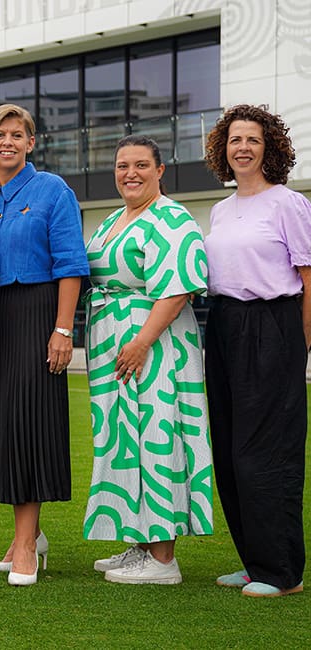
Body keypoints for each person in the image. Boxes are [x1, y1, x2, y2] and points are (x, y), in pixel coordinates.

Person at [0, 104, 88, 586]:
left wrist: (63, 329)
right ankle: (23, 539)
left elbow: (71, 265)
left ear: (31, 143)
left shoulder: (53, 190)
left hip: (37, 315)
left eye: (17, 135)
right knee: (1, 428)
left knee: (27, 425)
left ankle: (27, 548)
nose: (8, 142)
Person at [82, 135, 212, 584]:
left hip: (155, 345)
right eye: (122, 166)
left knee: (158, 433)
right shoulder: (114, 219)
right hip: (116, 344)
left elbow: (177, 288)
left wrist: (142, 342)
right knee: (126, 439)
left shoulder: (171, 217)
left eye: (141, 165)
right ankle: (141, 541)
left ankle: (163, 558)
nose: (130, 173)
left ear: (160, 170)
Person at [203, 104, 310, 598]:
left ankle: (282, 573)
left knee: (265, 452)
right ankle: (254, 562)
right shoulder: (221, 210)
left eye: (253, 139)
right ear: (223, 149)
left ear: (270, 147)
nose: (242, 147)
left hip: (273, 326)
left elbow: (308, 278)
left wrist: (297, 345)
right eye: (234, 140)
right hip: (224, 324)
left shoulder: (288, 203)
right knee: (229, 449)